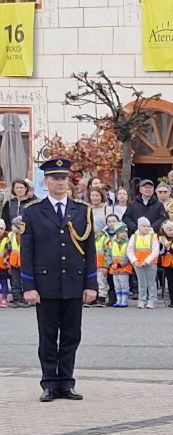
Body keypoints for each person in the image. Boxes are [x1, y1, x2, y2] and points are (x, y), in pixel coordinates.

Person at [19, 157, 98, 401]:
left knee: (72, 336)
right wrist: (29, 286)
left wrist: (91, 283)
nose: (60, 183)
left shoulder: (82, 211)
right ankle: (49, 383)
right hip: (45, 285)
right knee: (48, 336)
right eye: (55, 178)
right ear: (46, 181)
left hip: (74, 283)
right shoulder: (32, 212)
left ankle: (67, 382)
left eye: (64, 178)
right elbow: (27, 252)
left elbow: (91, 251)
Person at [127, 216, 160, 309]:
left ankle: (152, 300)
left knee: (151, 282)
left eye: (147, 226)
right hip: (138, 263)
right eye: (143, 226)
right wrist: (134, 261)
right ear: (139, 227)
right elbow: (130, 250)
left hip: (151, 263)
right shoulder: (134, 237)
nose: (145, 228)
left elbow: (155, 250)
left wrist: (147, 261)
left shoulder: (153, 237)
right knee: (141, 282)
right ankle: (142, 300)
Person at [106, 223, 132, 308]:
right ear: (117, 232)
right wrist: (110, 263)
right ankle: (118, 299)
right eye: (122, 232)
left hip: (123, 267)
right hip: (114, 267)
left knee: (124, 284)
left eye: (125, 232)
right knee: (117, 285)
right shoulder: (112, 242)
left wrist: (120, 264)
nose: (124, 234)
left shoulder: (128, 243)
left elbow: (127, 256)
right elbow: (108, 254)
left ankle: (124, 300)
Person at [158, 219, 173, 308]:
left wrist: (170, 249)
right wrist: (165, 248)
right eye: (169, 230)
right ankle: (172, 300)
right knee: (170, 282)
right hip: (167, 263)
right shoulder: (161, 239)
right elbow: (160, 253)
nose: (172, 232)